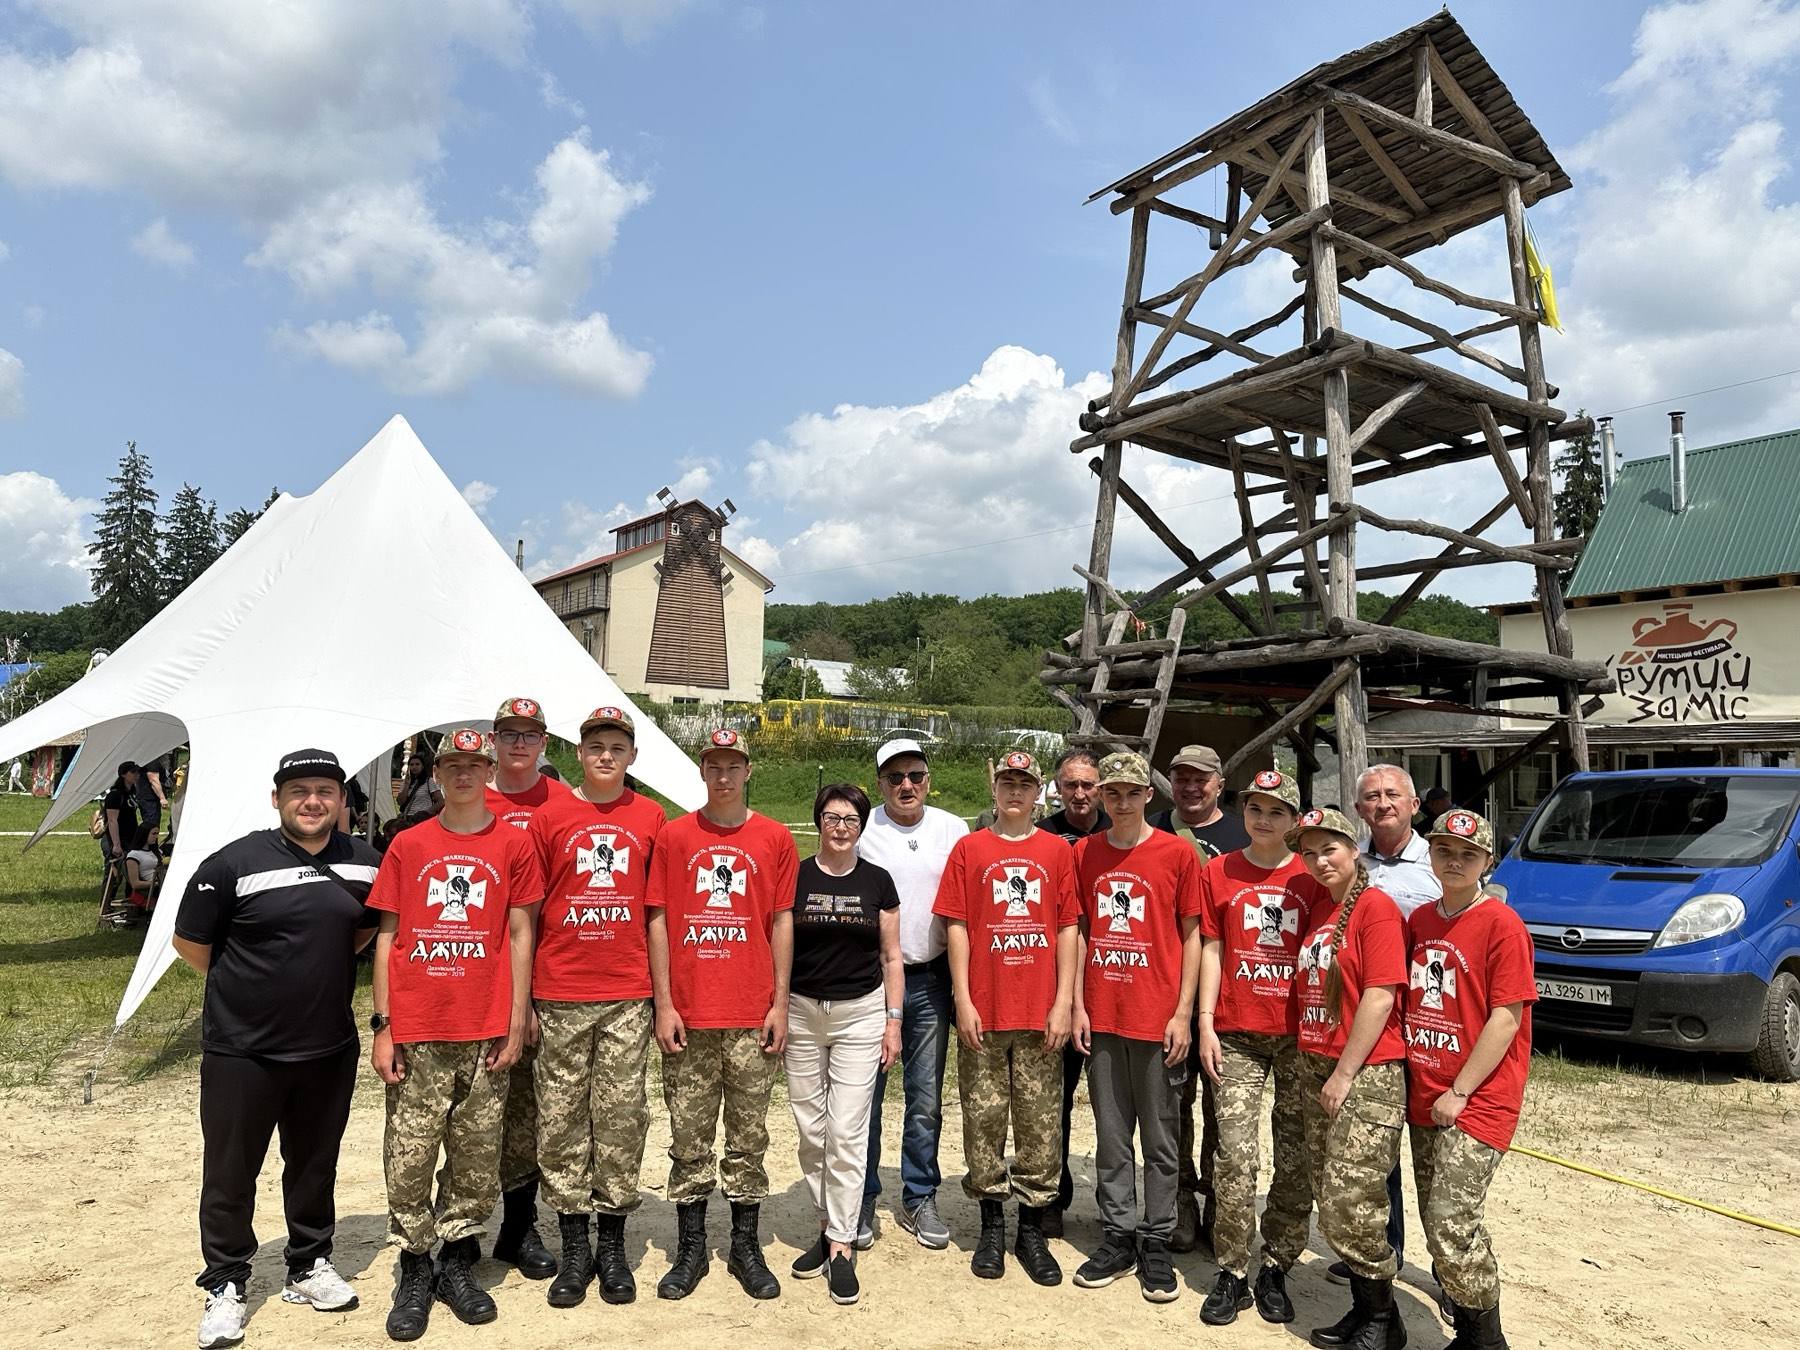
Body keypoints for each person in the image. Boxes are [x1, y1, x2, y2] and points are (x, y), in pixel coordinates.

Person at [172, 749, 382, 1350]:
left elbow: (362, 931)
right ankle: (225, 1281)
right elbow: (192, 944)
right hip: (243, 1049)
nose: (312, 801)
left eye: (325, 791)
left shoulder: (367, 863)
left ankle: (308, 1264)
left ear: (341, 800)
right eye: (299, 791)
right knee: (231, 1171)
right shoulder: (232, 863)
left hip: (327, 1046)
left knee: (314, 1163)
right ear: (276, 800)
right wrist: (254, 990)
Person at [367, 728, 543, 1341]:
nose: (464, 774)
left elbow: (520, 934)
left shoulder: (512, 844)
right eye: (453, 765)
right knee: (409, 1159)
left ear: (489, 772)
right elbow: (387, 938)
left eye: (475, 765)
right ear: (437, 773)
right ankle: (415, 1267)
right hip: (419, 1026)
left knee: (475, 1160)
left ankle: (457, 1262)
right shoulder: (409, 845)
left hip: (484, 1028)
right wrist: (383, 1026)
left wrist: (516, 1017)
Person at [646, 727, 797, 1301]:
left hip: (750, 1011)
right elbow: (658, 918)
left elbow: (781, 921)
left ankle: (744, 1246)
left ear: (748, 771)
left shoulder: (774, 837)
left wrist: (779, 1003)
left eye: (734, 766)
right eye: (714, 765)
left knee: (747, 1137)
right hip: (691, 1012)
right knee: (689, 1137)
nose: (724, 775)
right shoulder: (676, 835)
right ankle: (690, 1249)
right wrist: (664, 1003)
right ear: (703, 771)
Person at [526, 705, 666, 1307]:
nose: (606, 756)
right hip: (561, 990)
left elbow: (657, 912)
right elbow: (527, 912)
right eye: (595, 747)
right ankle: (573, 1248)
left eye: (617, 747)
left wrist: (663, 997)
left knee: (620, 1120)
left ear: (632, 756)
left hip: (627, 991)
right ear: (579, 754)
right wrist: (524, 1000)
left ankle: (611, 1245)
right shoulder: (550, 815)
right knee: (560, 1122)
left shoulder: (651, 817)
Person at [933, 749, 1079, 1285]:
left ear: (1039, 792)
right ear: (994, 788)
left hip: (1040, 1011)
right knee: (984, 1118)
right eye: (1007, 783)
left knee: (1041, 1124)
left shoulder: (1056, 852)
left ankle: (1032, 1230)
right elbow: (956, 926)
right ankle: (992, 1224)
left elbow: (1068, 927)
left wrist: (1064, 1001)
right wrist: (963, 998)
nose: (1015, 792)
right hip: (986, 1009)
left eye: (1025, 784)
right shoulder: (970, 849)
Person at [1068, 752, 1201, 1304]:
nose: (1121, 802)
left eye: (1131, 792)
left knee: (1162, 1138)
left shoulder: (1177, 852)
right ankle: (1118, 1234)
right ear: (1101, 796)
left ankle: (1157, 1238)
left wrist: (1183, 1013)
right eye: (1112, 793)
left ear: (1149, 795)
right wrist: (1077, 1004)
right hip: (1103, 1014)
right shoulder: (1085, 853)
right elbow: (1079, 929)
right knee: (1111, 1134)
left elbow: (1193, 935)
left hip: (1156, 1015)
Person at [1407, 810, 1535, 1349]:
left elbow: (1506, 1017)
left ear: (1487, 861)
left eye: (1467, 854)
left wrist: (1460, 1091)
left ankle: (1487, 1340)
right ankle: (1468, 1326)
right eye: (1444, 851)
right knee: (1439, 1220)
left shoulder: (1502, 925)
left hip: (1478, 1096)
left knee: (1451, 1221)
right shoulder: (1421, 920)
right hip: (1425, 1089)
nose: (1454, 862)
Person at [1192, 769, 1314, 1327]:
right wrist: (1205, 1022)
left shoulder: (1311, 877)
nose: (1264, 820)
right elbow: (1212, 948)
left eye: (1276, 812)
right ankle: (1232, 1269)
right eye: (1256, 809)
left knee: (1294, 1157)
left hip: (1296, 1038)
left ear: (1294, 821)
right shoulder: (1219, 871)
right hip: (1236, 1033)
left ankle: (1277, 1265)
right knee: (1235, 1156)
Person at [1288, 807, 1409, 1350]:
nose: (1319, 861)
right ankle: (1367, 1311)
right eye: (1309, 853)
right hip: (1320, 1066)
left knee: (1353, 1202)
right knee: (1331, 1199)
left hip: (1364, 1074)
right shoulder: (1323, 908)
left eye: (1329, 849)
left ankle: (1383, 1320)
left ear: (1354, 850)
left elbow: (1380, 996)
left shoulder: (1375, 908)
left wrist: (1343, 1073)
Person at [785, 784, 903, 1306]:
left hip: (860, 1014)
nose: (840, 827)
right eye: (832, 817)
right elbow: (778, 943)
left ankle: (841, 1245)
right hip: (802, 1012)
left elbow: (892, 957)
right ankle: (828, 1222)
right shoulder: (796, 877)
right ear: (817, 822)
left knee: (847, 1131)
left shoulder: (878, 881)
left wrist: (893, 1023)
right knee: (812, 1131)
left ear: (862, 826)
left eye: (851, 819)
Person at [1329, 764, 1442, 1286]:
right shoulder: (1350, 864)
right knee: (1379, 1154)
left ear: (1414, 805)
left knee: (1436, 1158)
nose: (1382, 804)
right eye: (1371, 797)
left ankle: (1448, 1274)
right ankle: (1384, 1250)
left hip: (1428, 1017)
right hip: (1373, 1024)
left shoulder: (1438, 862)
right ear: (1358, 810)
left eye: (1392, 794)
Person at [853, 736, 966, 1251]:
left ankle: (919, 1195)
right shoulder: (863, 828)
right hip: (871, 980)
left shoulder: (952, 829)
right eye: (894, 777)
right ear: (879, 784)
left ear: (928, 781)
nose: (906, 785)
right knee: (866, 1096)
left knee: (924, 1098)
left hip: (932, 977)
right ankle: (862, 1195)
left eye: (915, 776)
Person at [483, 696, 573, 1283]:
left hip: (544, 975)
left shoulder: (563, 803)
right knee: (473, 1109)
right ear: (493, 739)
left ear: (544, 742)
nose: (520, 743)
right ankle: (460, 1228)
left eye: (530, 734)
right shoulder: (469, 797)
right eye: (509, 733)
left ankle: (518, 1226)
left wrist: (534, 996)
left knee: (528, 1109)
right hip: (478, 973)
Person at [1151, 744, 1250, 1253]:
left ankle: (1218, 1204)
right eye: (1182, 778)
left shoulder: (1243, 835)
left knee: (1222, 1111)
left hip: (1227, 998)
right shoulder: (1151, 829)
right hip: (1164, 995)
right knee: (1172, 1109)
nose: (1191, 787)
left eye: (1201, 779)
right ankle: (1180, 1204)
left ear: (1219, 783)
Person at [1034, 748, 1108, 1238]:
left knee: (1113, 1108)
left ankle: (1117, 1203)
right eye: (1070, 784)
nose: (1079, 794)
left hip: (1114, 985)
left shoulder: (1122, 829)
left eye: (1088, 784)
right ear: (1057, 788)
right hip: (1059, 986)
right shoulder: (1042, 835)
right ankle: (1051, 1197)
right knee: (1054, 1101)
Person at [102, 762, 141, 862]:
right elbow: (112, 820)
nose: (136, 775)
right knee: (116, 867)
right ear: (123, 774)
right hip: (117, 838)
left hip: (130, 837)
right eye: (133, 772)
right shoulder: (115, 795)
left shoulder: (131, 793)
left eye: (138, 772)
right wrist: (116, 844)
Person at [136, 750, 172, 847]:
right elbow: (153, 779)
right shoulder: (152, 759)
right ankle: (150, 848)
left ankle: (151, 848)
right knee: (152, 827)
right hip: (149, 799)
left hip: (149, 799)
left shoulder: (149, 758)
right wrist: (162, 798)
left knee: (153, 826)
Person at [397, 751, 442, 818]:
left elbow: (441, 801)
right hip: (407, 818)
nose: (414, 767)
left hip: (422, 818)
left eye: (417, 764)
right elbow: (400, 802)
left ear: (422, 766)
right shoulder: (405, 782)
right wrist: (406, 785)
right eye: (411, 765)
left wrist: (426, 812)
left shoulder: (429, 781)